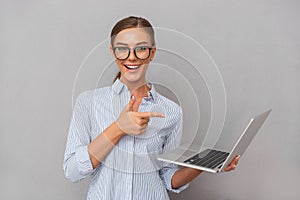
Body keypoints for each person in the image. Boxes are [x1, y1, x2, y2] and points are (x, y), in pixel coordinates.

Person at [63, 16, 239, 200]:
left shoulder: (171, 111)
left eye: (141, 49)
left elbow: (168, 178)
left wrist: (204, 164)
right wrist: (118, 128)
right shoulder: (88, 102)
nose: (131, 57)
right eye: (123, 49)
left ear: (152, 52)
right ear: (113, 52)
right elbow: (73, 171)